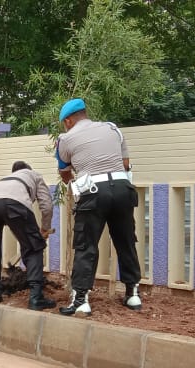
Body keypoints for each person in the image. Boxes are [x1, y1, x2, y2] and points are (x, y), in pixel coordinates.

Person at [55, 98, 141, 316]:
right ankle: (132, 294)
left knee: (86, 245)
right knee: (126, 241)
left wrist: (76, 180)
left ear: (68, 121)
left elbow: (65, 174)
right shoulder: (113, 129)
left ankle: (81, 300)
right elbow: (124, 163)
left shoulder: (65, 139)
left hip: (93, 192)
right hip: (123, 188)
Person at [0, 161, 56, 310]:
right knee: (34, 247)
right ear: (29, 170)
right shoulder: (35, 175)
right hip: (13, 203)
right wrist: (45, 228)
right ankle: (36, 298)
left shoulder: (5, 179)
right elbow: (46, 205)